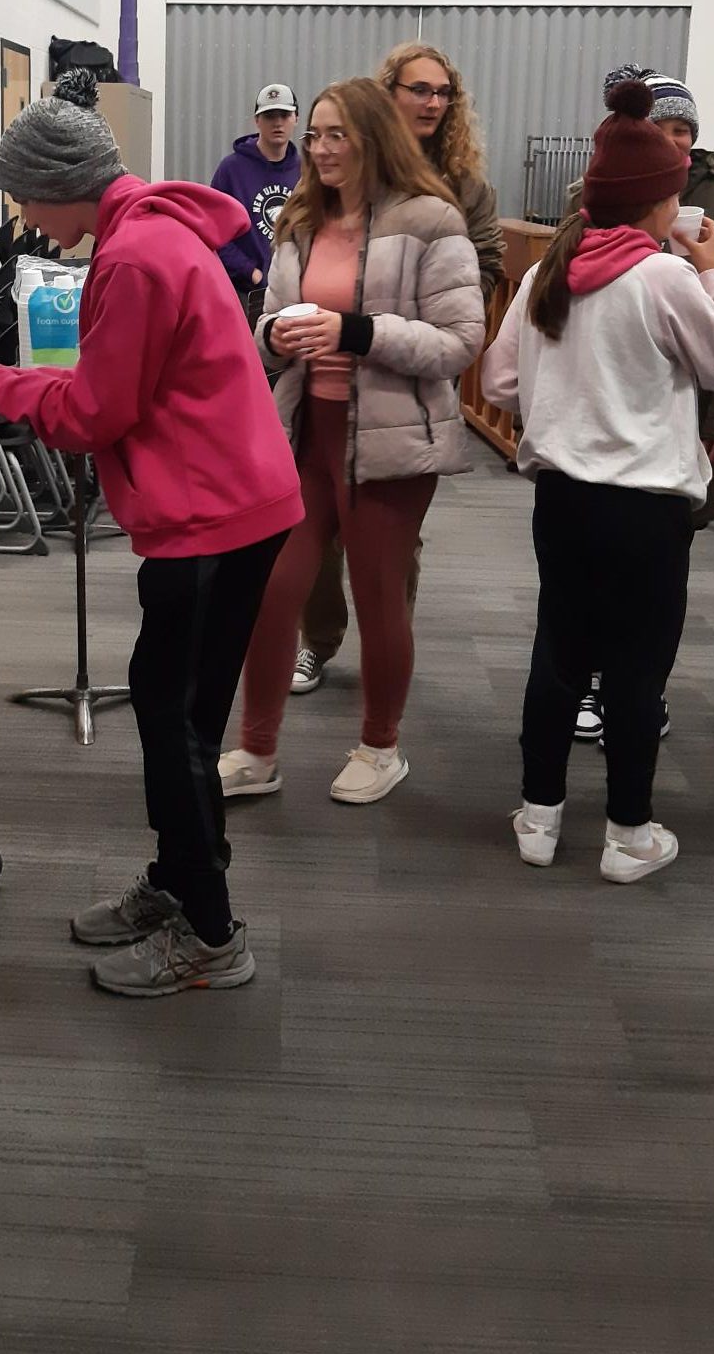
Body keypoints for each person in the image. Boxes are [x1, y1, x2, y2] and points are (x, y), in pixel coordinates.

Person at [0, 73, 302, 997]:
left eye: (22, 196)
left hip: (207, 513)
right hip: (235, 502)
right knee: (187, 716)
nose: (21, 215)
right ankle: (180, 881)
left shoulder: (133, 258)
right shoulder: (154, 228)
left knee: (168, 717)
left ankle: (212, 936)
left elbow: (96, 411)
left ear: (60, 185)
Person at [482, 78, 714, 881]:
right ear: (657, 202)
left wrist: (562, 394)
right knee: (638, 668)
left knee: (558, 655)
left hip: (561, 501)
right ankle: (629, 834)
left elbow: (500, 384)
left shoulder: (548, 274)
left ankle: (539, 817)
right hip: (646, 510)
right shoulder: (666, 277)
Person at [218, 76, 485, 805]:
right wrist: (274, 336)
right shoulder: (301, 221)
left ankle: (380, 744)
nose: (323, 148)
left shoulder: (431, 220)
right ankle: (257, 748)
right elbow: (267, 330)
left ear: (374, 138)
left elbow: (461, 341)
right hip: (305, 434)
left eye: (338, 134)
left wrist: (355, 332)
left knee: (377, 596)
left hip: (392, 443)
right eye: (317, 135)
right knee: (274, 593)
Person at [560, 65, 714, 744]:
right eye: (663, 130)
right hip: (598, 415)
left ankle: (643, 689)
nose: (675, 144)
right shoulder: (595, 197)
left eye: (685, 131)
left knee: (659, 580)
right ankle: (593, 684)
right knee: (585, 577)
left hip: (681, 414)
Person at [291, 40, 503, 696]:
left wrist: (437, 300)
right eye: (420, 89)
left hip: (402, 376)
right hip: (323, 384)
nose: (434, 102)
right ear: (388, 97)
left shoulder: (462, 185)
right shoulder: (345, 173)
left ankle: (388, 656)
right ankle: (318, 642)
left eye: (444, 92)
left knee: (388, 546)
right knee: (310, 539)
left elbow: (486, 262)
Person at [209, 82, 302, 323]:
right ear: (257, 121)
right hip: (245, 295)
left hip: (294, 297)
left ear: (296, 118)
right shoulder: (231, 170)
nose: (278, 123)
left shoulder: (307, 172)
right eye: (269, 116)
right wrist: (251, 272)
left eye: (284, 115)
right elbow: (213, 232)